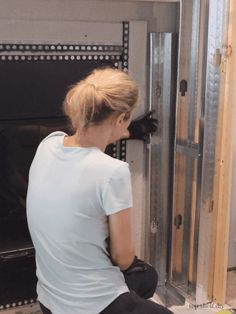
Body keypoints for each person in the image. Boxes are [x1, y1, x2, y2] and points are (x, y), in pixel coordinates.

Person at [26, 67, 173, 314]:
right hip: (94, 304)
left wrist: (127, 131)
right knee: (147, 278)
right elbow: (123, 257)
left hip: (50, 300)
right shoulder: (113, 171)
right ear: (121, 119)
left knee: (145, 281)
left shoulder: (47, 145)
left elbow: (81, 148)